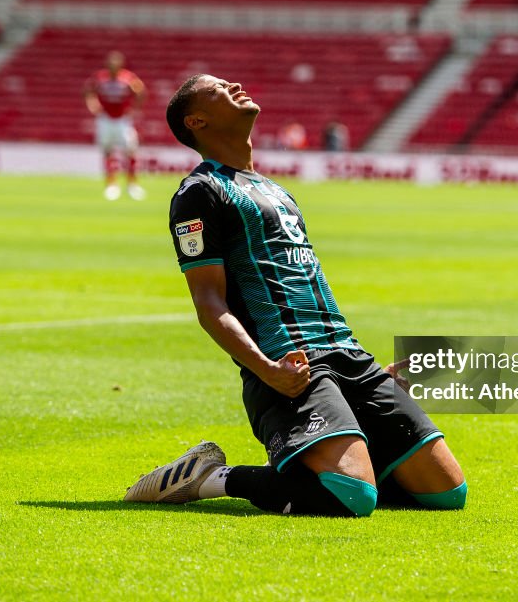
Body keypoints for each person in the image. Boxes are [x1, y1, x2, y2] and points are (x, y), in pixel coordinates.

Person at [123, 75, 467, 517]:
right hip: (289, 363)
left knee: (444, 493)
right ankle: (208, 477)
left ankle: (337, 448)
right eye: (218, 88)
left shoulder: (277, 191)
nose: (236, 84)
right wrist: (266, 369)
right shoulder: (199, 193)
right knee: (350, 497)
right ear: (197, 120)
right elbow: (209, 304)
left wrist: (366, 375)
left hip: (349, 355)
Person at [83, 51, 147, 201]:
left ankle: (132, 185)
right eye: (110, 64)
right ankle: (111, 185)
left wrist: (134, 108)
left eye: (115, 64)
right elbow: (87, 90)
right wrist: (92, 104)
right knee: (108, 151)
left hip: (122, 120)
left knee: (130, 150)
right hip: (105, 119)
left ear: (120, 65)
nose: (112, 66)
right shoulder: (100, 77)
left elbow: (140, 91)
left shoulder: (127, 78)